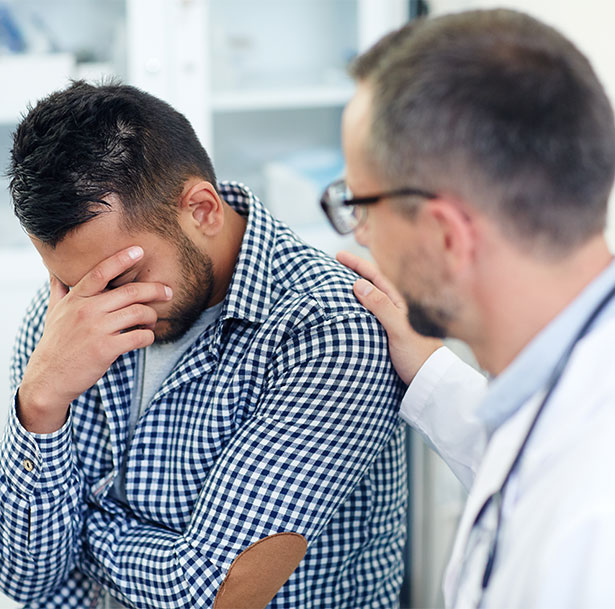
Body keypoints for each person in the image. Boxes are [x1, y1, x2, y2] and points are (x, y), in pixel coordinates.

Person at [0, 81, 407, 609]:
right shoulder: (67, 316)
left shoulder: (329, 330)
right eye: (76, 284)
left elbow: (212, 593)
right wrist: (40, 404)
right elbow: (23, 579)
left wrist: (82, 533)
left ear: (203, 209)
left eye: (125, 275)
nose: (95, 305)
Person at [320, 8, 615, 609]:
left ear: (447, 236)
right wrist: (429, 367)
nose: (361, 238)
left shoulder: (595, 522)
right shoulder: (564, 381)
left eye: (361, 206)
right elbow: (526, 460)